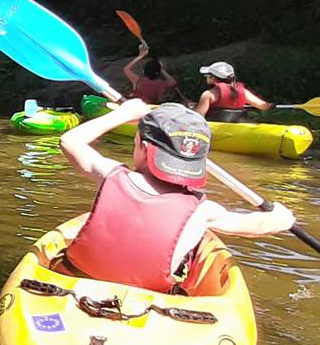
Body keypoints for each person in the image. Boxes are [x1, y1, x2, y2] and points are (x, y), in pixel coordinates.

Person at [58, 100, 295, 292]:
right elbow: (252, 225)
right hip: (146, 301)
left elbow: (70, 140)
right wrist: (282, 217)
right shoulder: (204, 210)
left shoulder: (112, 174)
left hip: (76, 282)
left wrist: (122, 114)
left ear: (142, 147)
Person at [194, 61, 271, 122]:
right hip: (238, 130)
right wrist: (272, 105)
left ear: (212, 77)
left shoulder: (208, 95)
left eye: (207, 75)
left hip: (217, 131)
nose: (206, 78)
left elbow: (197, 117)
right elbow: (263, 106)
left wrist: (190, 110)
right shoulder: (244, 92)